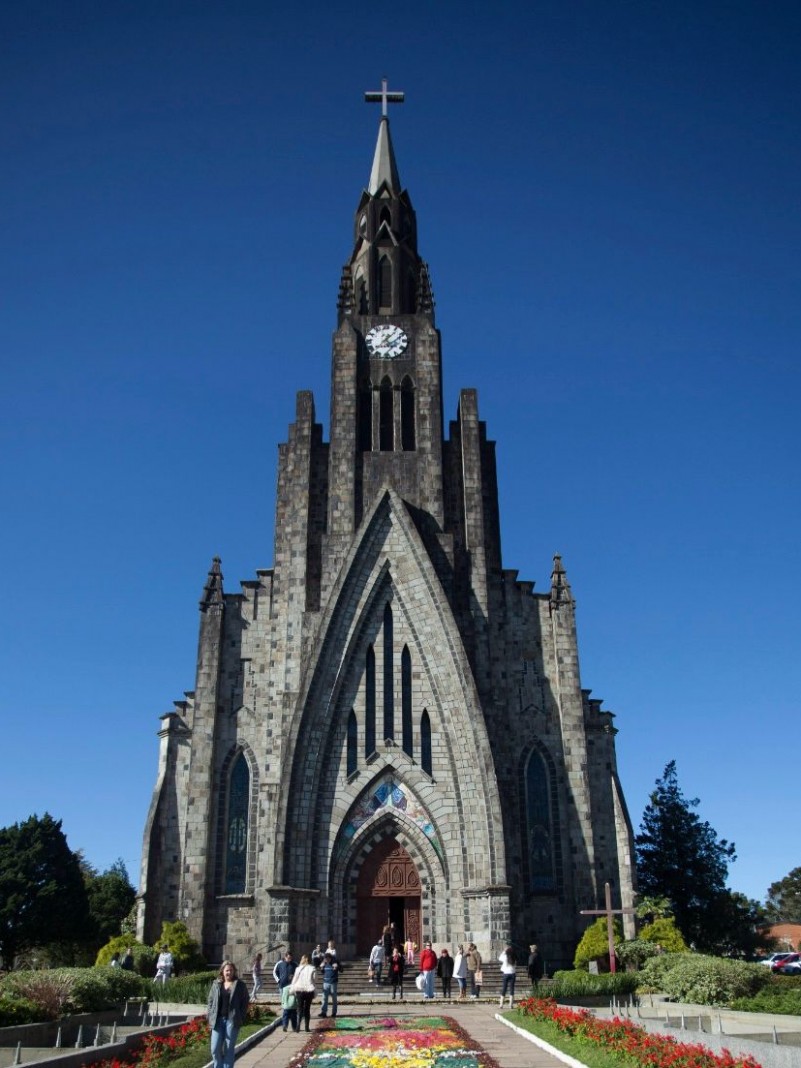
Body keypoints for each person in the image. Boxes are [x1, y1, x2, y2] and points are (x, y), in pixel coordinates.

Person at [207, 960, 250, 1068]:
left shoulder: (239, 985)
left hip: (232, 1020)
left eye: (231, 970)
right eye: (227, 970)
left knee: (228, 1049)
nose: (229, 973)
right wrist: (210, 1014)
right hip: (217, 1020)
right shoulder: (216, 984)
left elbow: (245, 1001)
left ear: (234, 971)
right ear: (222, 971)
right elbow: (210, 1000)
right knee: (215, 1049)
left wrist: (241, 1015)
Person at [290, 953, 316, 1032]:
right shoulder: (312, 968)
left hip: (299, 989)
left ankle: (298, 1027)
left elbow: (294, 979)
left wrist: (292, 988)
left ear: (302, 960)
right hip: (309, 990)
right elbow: (315, 979)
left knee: (299, 1008)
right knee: (307, 1009)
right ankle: (306, 1028)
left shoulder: (298, 969)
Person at [318, 951, 339, 1017]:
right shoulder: (324, 964)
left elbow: (341, 969)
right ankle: (324, 1012)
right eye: (325, 959)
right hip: (325, 983)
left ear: (330, 958)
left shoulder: (334, 963)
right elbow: (322, 972)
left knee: (334, 998)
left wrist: (336, 967)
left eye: (327, 959)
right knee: (324, 998)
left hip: (333, 983)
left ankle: (334, 1012)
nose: (326, 960)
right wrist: (321, 967)